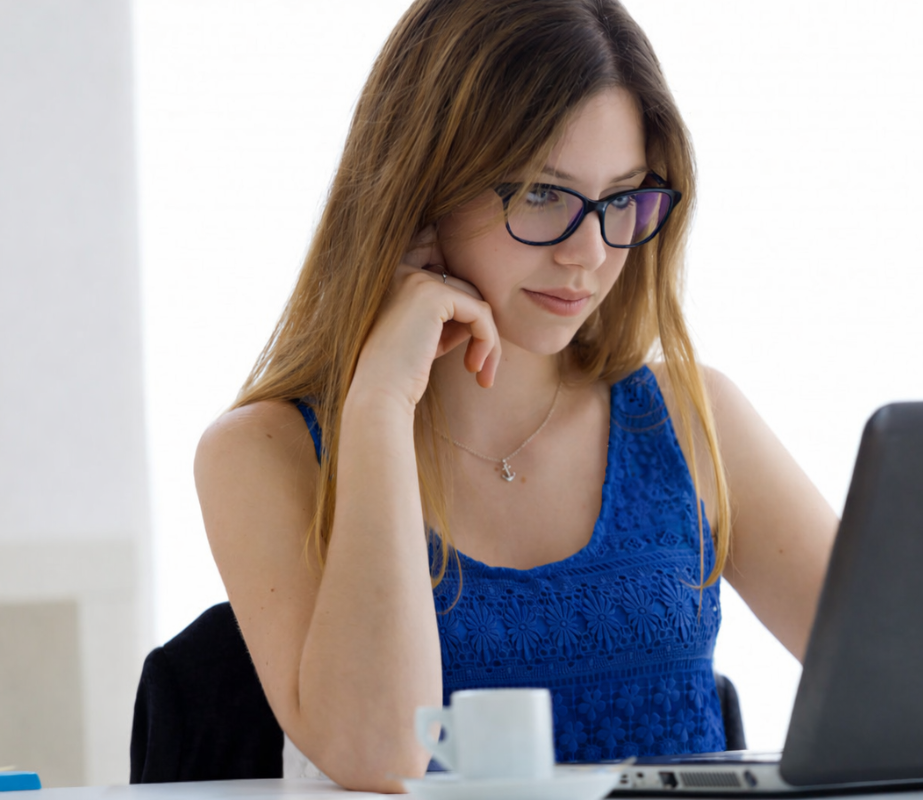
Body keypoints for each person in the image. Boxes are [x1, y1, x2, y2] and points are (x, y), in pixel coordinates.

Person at [194, 0, 838, 792]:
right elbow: (376, 754)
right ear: (422, 193)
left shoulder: (691, 418)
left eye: (621, 198)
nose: (589, 253)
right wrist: (380, 406)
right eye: (542, 195)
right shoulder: (263, 454)